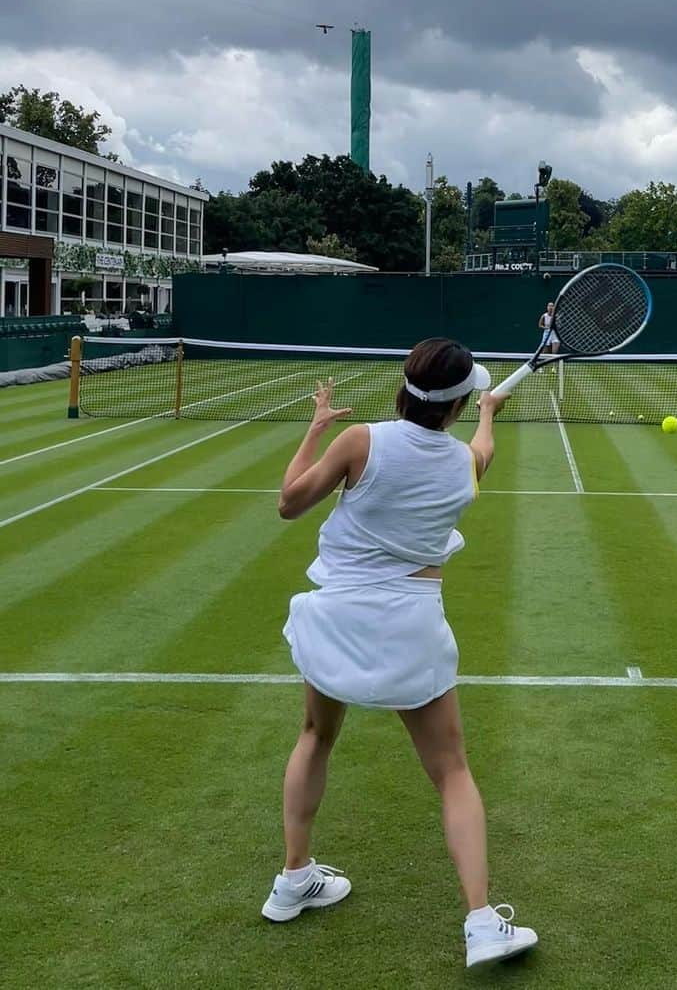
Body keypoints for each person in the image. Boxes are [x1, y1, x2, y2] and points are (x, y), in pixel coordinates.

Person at [262, 338, 538, 970]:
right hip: (410, 624)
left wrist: (312, 432)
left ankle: (292, 879)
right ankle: (480, 921)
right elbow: (484, 450)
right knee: (452, 771)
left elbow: (289, 503)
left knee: (314, 736)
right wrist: (490, 415)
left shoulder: (360, 440)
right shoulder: (464, 466)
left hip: (336, 616)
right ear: (460, 404)